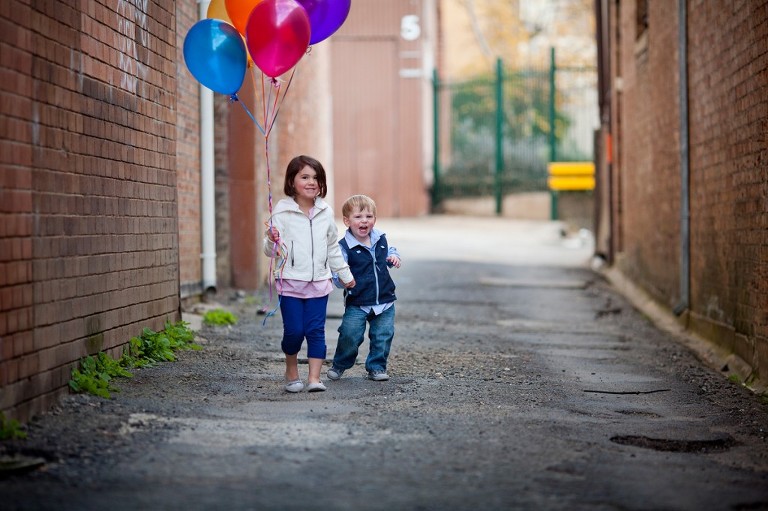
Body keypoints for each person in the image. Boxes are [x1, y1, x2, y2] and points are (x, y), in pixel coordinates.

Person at [264, 155, 355, 393]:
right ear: (292, 181)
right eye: (305, 177)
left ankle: (314, 378)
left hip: (319, 282)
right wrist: (271, 239)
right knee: (294, 331)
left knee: (315, 330)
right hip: (290, 281)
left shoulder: (325, 212)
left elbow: (333, 247)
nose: (311, 182)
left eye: (316, 177)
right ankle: (291, 371)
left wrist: (344, 274)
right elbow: (270, 252)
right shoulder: (282, 212)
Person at [327, 194, 401, 382]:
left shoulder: (380, 238)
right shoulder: (344, 247)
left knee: (383, 336)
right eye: (358, 217)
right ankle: (340, 364)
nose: (364, 221)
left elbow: (390, 251)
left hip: (384, 300)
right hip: (357, 301)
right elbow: (337, 269)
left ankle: (376, 367)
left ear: (374, 220)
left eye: (368, 217)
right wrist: (341, 280)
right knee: (349, 335)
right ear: (347, 221)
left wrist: (393, 257)